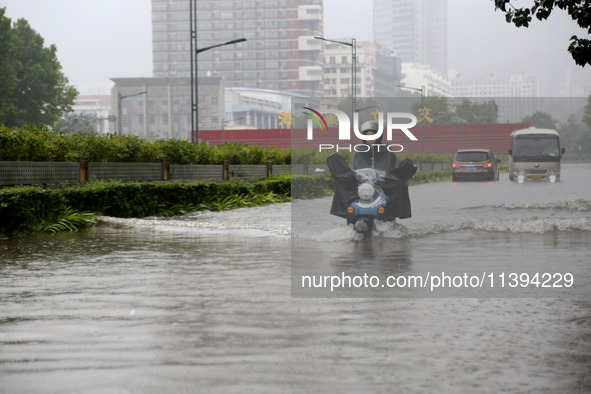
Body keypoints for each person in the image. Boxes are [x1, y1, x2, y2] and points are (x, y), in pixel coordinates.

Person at [326, 120, 417, 221]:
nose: (370, 140)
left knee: (400, 180)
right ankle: (346, 212)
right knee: (340, 176)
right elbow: (352, 170)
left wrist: (385, 178)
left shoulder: (388, 152)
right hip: (360, 189)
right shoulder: (359, 152)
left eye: (373, 136)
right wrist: (355, 177)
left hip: (383, 188)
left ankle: (393, 213)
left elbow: (394, 172)